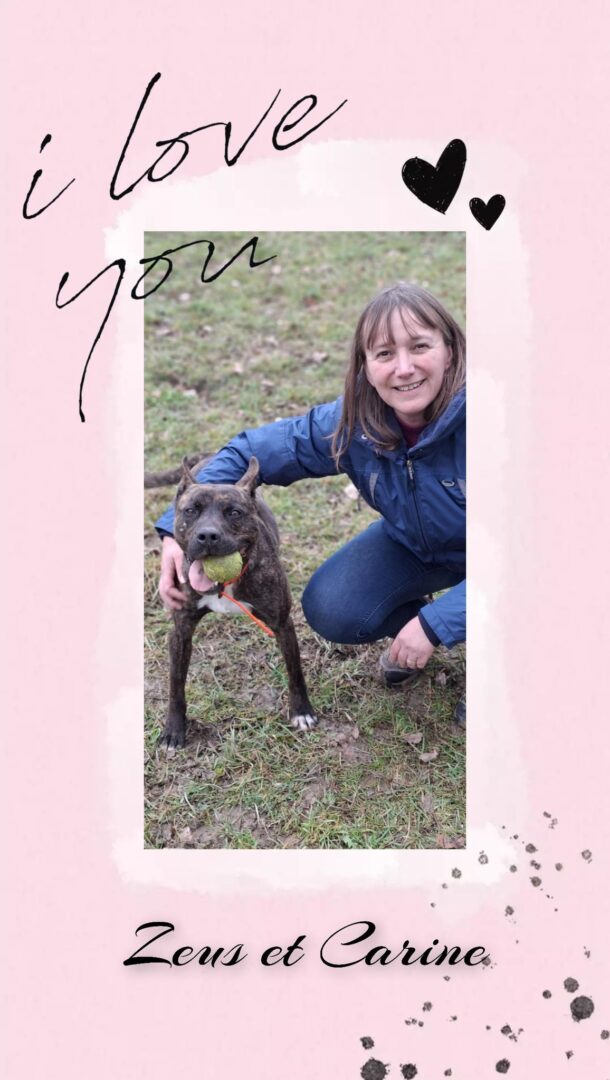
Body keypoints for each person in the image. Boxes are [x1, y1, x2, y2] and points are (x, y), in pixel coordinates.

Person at [156, 281, 466, 720]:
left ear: (450, 349)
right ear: (365, 367)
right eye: (383, 353)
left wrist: (435, 625)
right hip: (418, 543)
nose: (403, 368)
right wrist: (172, 531)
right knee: (333, 606)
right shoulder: (355, 422)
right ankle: (426, 625)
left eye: (419, 346)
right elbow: (247, 452)